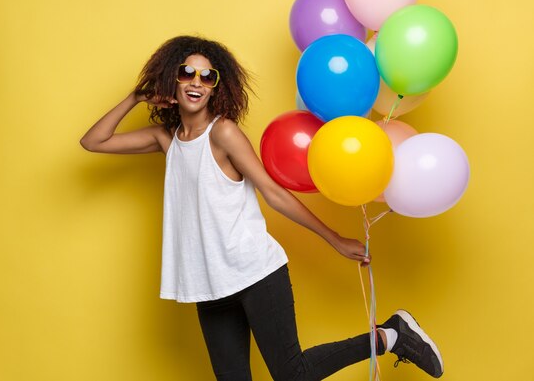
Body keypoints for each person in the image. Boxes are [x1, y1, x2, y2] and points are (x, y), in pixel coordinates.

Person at [80, 35, 444, 380]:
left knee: (292, 374)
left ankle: (390, 336)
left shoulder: (222, 134)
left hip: (254, 272)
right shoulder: (167, 139)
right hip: (208, 283)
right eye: (186, 72)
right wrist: (136, 97)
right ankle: (391, 335)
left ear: (216, 87)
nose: (196, 81)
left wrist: (334, 239)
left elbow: (273, 192)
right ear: (171, 81)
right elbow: (94, 141)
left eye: (208, 76)